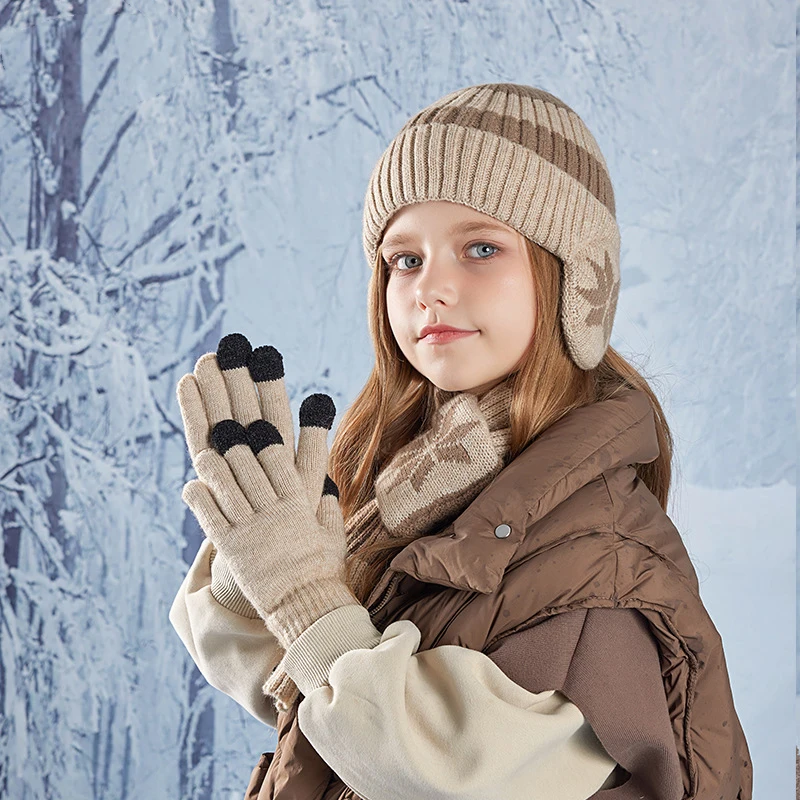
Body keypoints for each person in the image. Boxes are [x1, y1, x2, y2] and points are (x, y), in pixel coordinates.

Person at [169, 83, 752, 800]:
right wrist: (257, 561)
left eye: (480, 248)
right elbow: (303, 701)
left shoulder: (601, 559)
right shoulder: (408, 488)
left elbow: (445, 772)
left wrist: (303, 595)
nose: (429, 287)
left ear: (579, 281)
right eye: (404, 259)